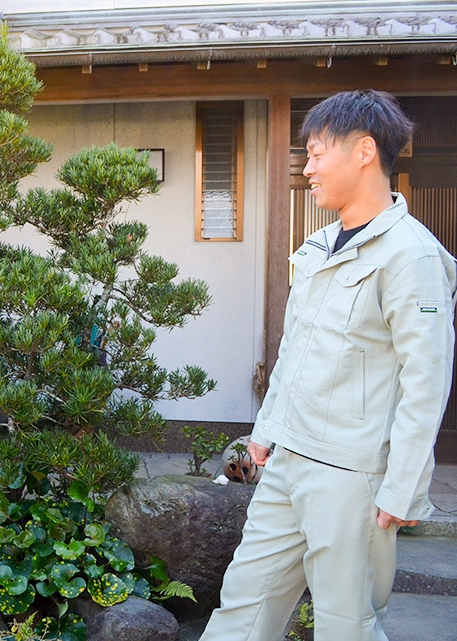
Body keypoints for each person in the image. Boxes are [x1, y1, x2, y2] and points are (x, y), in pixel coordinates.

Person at [200, 90, 457, 641]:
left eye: (317, 154)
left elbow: (426, 378)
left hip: (353, 476)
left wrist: (403, 487)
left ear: (365, 151)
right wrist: (264, 435)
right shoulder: (318, 246)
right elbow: (294, 350)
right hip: (287, 461)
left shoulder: (410, 256)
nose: (307, 167)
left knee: (348, 626)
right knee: (241, 608)